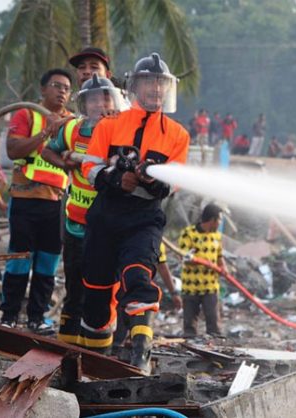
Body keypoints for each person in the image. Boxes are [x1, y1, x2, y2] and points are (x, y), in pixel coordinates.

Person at [80, 52, 190, 373]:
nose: (155, 89)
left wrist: (150, 181)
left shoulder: (177, 135)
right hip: (105, 215)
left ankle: (140, 356)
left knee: (138, 277)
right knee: (97, 296)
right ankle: (95, 366)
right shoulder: (111, 125)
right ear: (134, 86)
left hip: (144, 218)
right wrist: (117, 178)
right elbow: (89, 167)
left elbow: (175, 182)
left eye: (160, 84)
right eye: (149, 83)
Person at [41, 74, 124, 345]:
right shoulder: (73, 130)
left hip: (108, 227)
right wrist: (66, 164)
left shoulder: (122, 131)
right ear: (85, 104)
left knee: (102, 290)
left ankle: (98, 352)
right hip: (76, 225)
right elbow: (47, 152)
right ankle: (68, 351)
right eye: (94, 99)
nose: (101, 104)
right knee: (74, 289)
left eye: (106, 98)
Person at [0, 68, 74, 332]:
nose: (62, 91)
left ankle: (36, 317)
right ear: (43, 89)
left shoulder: (73, 123)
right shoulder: (27, 114)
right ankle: (9, 315)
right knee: (20, 259)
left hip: (56, 203)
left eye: (67, 87)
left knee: (48, 262)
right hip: (25, 198)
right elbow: (13, 149)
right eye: (56, 85)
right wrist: (45, 133)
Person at [112, 242, 182, 350]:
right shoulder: (151, 238)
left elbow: (162, 267)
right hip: (121, 291)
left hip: (133, 293)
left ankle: (134, 350)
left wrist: (174, 293)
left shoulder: (154, 239)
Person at [178, 203, 225, 337]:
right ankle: (189, 346)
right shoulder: (188, 234)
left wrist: (224, 268)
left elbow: (220, 256)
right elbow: (183, 256)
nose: (220, 223)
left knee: (213, 322)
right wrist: (202, 262)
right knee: (189, 325)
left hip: (210, 286)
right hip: (191, 285)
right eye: (219, 219)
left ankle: (215, 346)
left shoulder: (217, 236)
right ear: (212, 220)